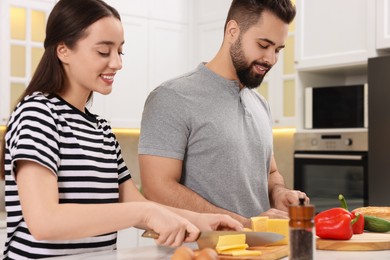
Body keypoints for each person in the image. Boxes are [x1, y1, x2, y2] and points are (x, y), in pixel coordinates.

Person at [0, 0, 243, 259]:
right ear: (63, 50)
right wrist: (146, 214)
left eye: (120, 52)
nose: (117, 63)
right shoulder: (38, 114)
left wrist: (202, 220)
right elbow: (44, 221)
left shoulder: (101, 130)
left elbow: (133, 203)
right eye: (104, 52)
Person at [138, 0, 309, 228]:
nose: (271, 59)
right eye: (263, 45)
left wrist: (279, 193)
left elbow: (271, 172)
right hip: (195, 252)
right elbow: (157, 188)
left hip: (259, 250)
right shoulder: (172, 97)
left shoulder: (260, 104)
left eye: (277, 50)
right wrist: (245, 224)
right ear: (233, 31)